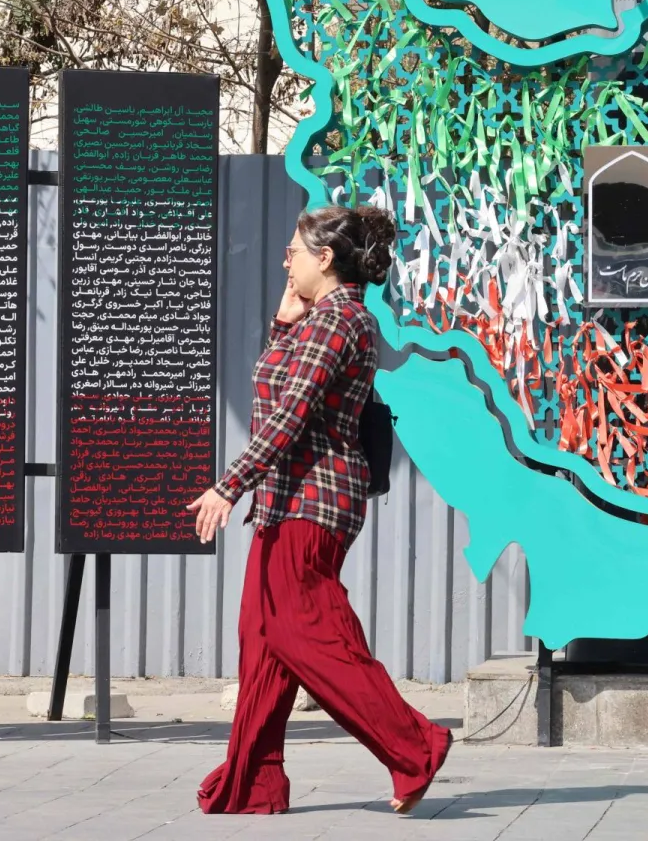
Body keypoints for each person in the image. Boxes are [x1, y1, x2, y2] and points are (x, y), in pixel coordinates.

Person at [189, 204, 453, 816]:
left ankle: (415, 744)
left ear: (325, 259)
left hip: (313, 502)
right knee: (262, 640)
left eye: (294, 252)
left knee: (312, 638)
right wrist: (284, 326)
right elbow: (279, 388)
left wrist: (229, 485)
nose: (287, 261)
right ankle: (254, 780)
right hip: (285, 502)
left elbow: (292, 411)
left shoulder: (341, 320)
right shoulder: (319, 320)